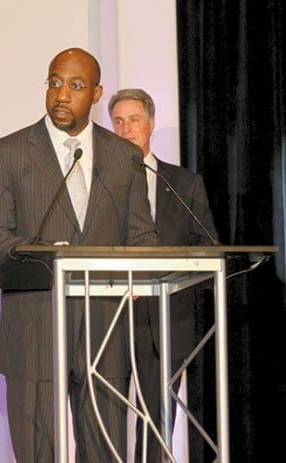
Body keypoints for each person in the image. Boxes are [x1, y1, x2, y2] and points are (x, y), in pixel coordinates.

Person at [0, 47, 158, 461]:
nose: (61, 95)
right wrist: (48, 256)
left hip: (105, 334)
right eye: (54, 83)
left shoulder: (124, 157)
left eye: (75, 86)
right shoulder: (6, 154)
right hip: (35, 331)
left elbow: (142, 237)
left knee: (106, 453)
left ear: (95, 94)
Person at [109, 88, 218, 462]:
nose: (126, 130)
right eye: (118, 122)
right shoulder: (97, 185)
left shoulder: (183, 183)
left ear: (151, 125)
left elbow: (205, 246)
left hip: (166, 320)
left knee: (156, 425)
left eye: (134, 120)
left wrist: (155, 277)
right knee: (104, 421)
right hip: (109, 319)